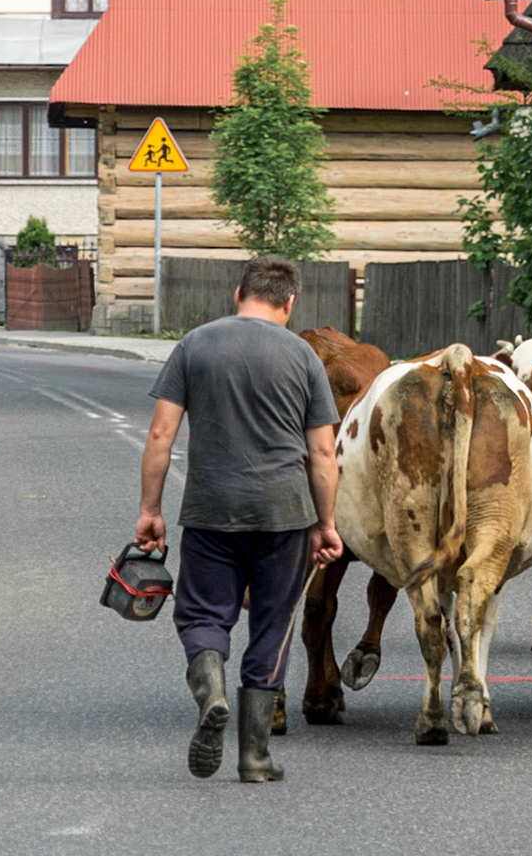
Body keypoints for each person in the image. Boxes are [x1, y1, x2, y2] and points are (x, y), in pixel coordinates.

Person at [133, 257, 344, 783]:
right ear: (289, 302)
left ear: (237, 293)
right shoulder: (303, 356)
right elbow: (322, 454)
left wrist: (150, 510)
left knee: (203, 616)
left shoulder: (195, 344)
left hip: (211, 510)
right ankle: (254, 758)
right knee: (273, 626)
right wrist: (327, 523)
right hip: (285, 515)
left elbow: (161, 435)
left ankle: (212, 692)